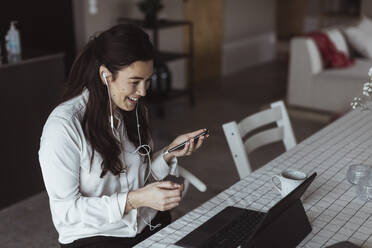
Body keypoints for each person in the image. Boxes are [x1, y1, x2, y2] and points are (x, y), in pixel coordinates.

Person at [38, 23, 207, 248]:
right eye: (135, 82)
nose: (143, 92)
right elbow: (66, 211)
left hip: (145, 223)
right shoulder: (63, 128)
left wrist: (167, 154)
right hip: (96, 237)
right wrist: (137, 199)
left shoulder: (134, 111)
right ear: (105, 75)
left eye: (147, 81)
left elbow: (139, 180)